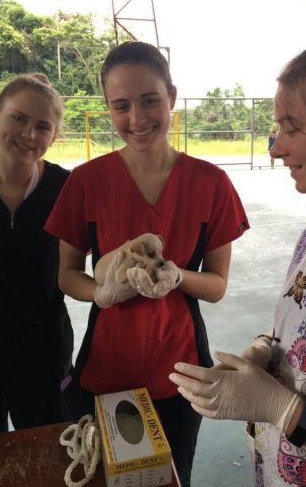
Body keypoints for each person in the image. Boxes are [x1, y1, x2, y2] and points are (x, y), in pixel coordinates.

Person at [44, 41, 250, 486]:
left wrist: (177, 276)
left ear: (171, 97)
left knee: (170, 479)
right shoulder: (87, 182)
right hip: (105, 367)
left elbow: (215, 286)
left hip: (179, 370)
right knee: (101, 476)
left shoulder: (211, 183)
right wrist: (101, 292)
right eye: (121, 106)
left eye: (150, 101)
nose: (136, 119)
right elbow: (67, 274)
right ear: (108, 109)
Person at [169, 32, 306, 485]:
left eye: (292, 127)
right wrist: (262, 353)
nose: (275, 148)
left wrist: (285, 409)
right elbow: (299, 335)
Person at [0, 73, 74, 435]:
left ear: (54, 135)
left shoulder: (66, 188)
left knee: (50, 450)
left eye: (42, 126)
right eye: (18, 118)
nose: (29, 134)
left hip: (43, 351)